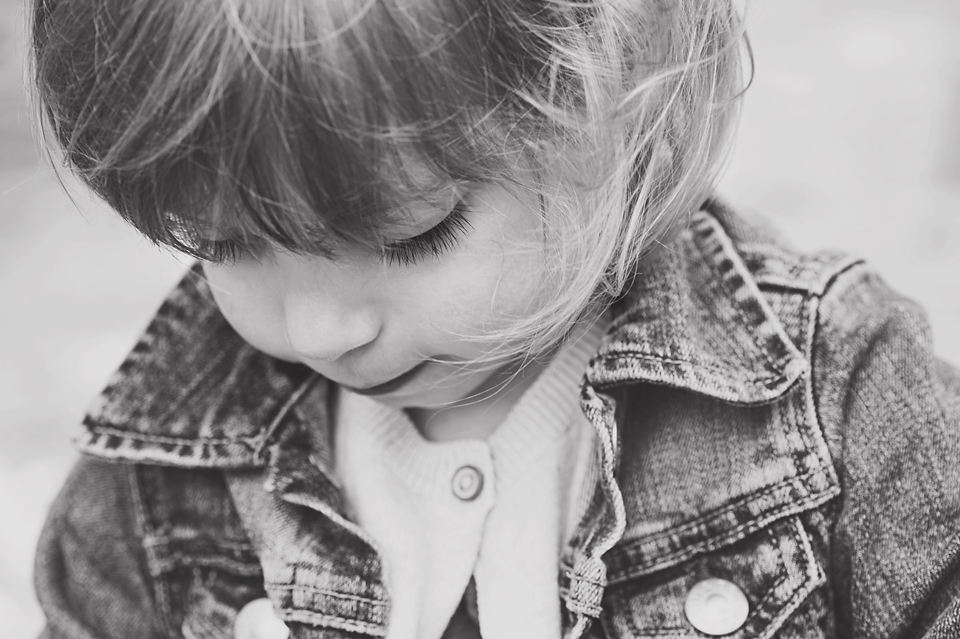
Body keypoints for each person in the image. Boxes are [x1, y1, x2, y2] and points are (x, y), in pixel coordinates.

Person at [28, 0, 960, 637]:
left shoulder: (836, 394)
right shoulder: (155, 479)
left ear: (606, 78)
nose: (319, 328)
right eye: (222, 243)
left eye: (410, 232)